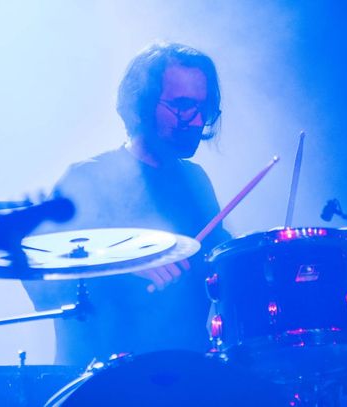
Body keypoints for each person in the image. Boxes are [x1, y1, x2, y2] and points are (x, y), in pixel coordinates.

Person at [23, 42, 231, 367]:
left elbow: (221, 266)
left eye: (203, 108)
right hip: (100, 378)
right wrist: (122, 265)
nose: (195, 121)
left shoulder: (195, 181)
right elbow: (38, 284)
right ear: (141, 106)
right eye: (182, 106)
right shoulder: (87, 179)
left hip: (184, 374)